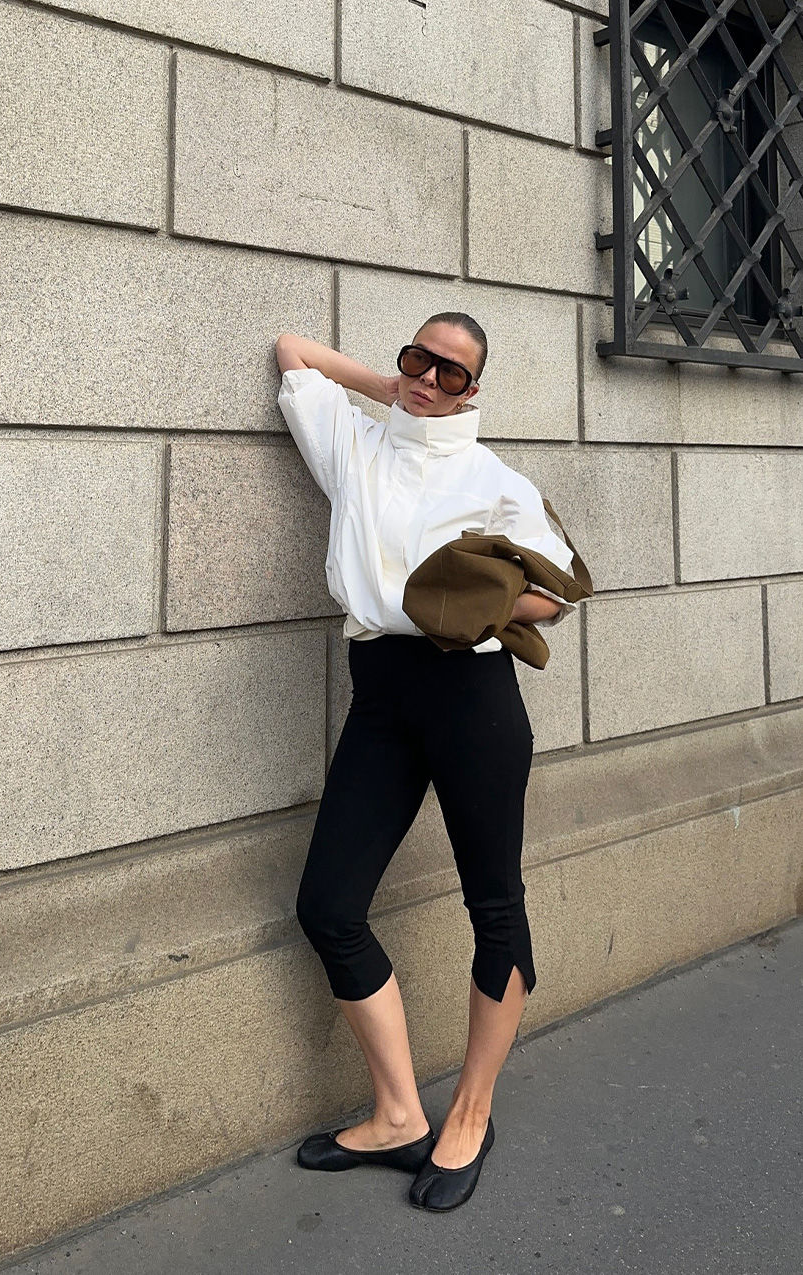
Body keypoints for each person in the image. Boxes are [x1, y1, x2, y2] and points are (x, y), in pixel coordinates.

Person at [275, 314, 576, 1211]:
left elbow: (555, 592)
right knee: (328, 905)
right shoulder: (354, 445)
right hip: (380, 695)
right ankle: (400, 1113)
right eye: (421, 359)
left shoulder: (493, 478)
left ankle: (471, 1113)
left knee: (495, 903)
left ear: (475, 392)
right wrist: (398, 395)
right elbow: (294, 351)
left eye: (454, 374)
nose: (431, 379)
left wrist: (473, 599)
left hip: (470, 699)